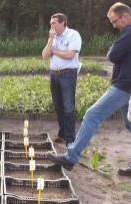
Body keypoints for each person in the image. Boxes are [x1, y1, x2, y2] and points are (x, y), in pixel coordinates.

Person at [48, 2, 131, 176]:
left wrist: (114, 49)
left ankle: (71, 157)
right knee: (130, 124)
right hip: (125, 85)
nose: (114, 25)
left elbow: (113, 55)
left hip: (124, 86)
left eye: (115, 21)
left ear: (125, 16)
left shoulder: (129, 33)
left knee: (92, 115)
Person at [42, 13, 82, 146]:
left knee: (68, 107)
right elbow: (44, 56)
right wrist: (50, 40)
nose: (51, 25)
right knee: (58, 106)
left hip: (68, 75)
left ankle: (71, 139)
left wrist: (55, 51)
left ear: (63, 22)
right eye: (51, 23)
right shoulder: (53, 37)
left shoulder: (73, 35)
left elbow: (71, 55)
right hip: (54, 75)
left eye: (54, 23)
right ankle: (63, 133)